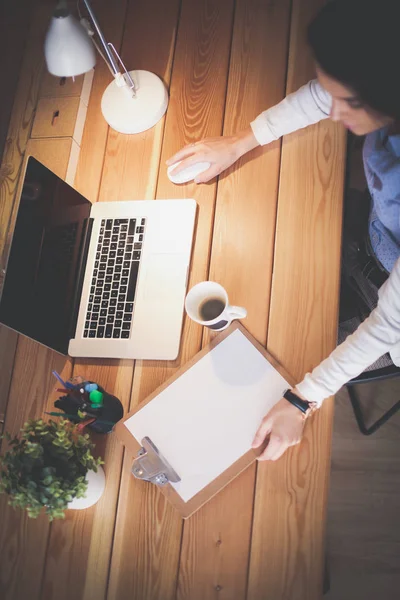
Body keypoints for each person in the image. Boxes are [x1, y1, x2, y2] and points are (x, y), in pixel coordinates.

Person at [167, 0, 400, 461]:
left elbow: (386, 326)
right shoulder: (381, 91)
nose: (333, 113)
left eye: (348, 102)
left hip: (392, 318)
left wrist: (300, 401)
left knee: (294, 345)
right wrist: (238, 143)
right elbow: (320, 95)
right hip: (382, 236)